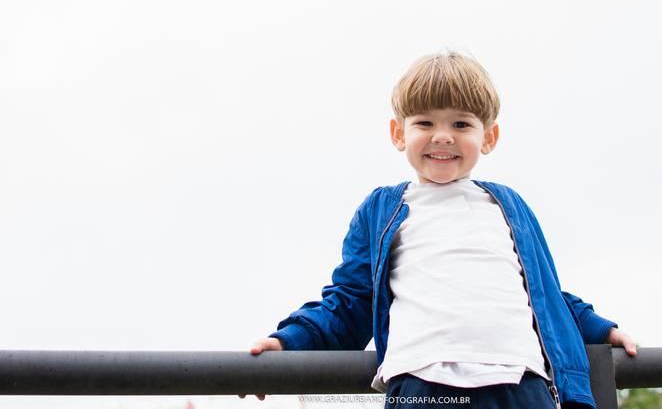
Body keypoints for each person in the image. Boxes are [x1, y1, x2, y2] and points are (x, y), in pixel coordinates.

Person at [243, 51, 637, 408]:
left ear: (489, 137)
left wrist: (600, 330)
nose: (443, 135)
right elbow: (350, 301)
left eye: (461, 123)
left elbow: (544, 293)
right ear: (399, 134)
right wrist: (289, 342)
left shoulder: (507, 206)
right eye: (425, 122)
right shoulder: (384, 210)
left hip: (521, 384)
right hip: (424, 386)